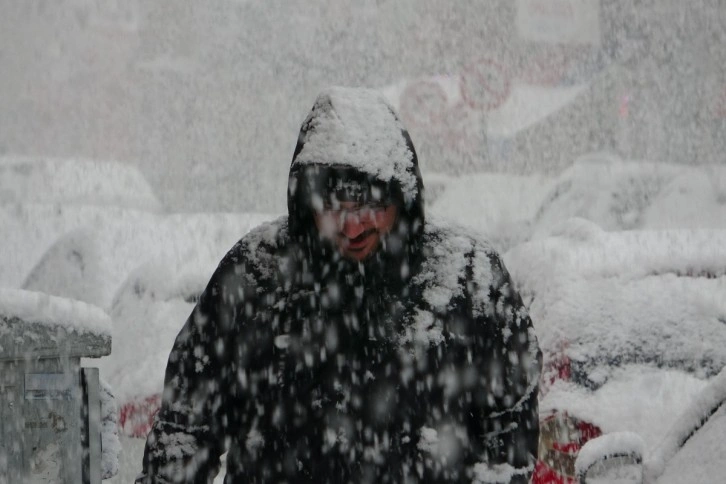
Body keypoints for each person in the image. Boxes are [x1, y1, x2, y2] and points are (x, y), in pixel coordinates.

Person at [137, 86, 541, 483]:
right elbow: (185, 428)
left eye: (371, 205)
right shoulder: (255, 275)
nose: (352, 225)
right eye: (333, 206)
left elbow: (508, 434)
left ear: (404, 199)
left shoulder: (465, 276)